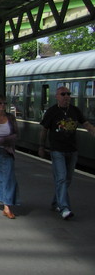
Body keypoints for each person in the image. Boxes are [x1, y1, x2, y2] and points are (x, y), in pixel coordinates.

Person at [38, 86, 95, 220]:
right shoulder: (52, 112)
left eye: (68, 94)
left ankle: (55, 202)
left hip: (72, 150)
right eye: (63, 94)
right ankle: (64, 208)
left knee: (66, 179)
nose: (66, 96)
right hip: (57, 150)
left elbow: (86, 124)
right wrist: (41, 146)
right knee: (62, 178)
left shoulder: (75, 111)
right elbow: (44, 130)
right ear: (57, 96)